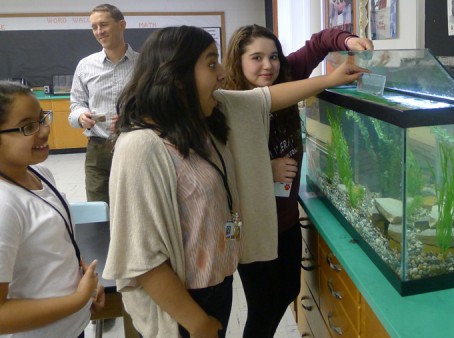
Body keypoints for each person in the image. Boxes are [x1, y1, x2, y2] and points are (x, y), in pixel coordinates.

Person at [102, 25, 366, 338]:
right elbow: (141, 258)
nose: (223, 74)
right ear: (176, 78)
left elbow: (266, 99)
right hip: (183, 302)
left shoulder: (207, 115)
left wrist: (332, 79)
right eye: (212, 64)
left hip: (217, 281)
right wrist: (196, 322)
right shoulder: (140, 147)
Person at [223, 24, 373, 337]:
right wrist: (268, 169)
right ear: (237, 62)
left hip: (287, 219)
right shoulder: (230, 103)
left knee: (289, 288)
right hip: (253, 226)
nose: (268, 65)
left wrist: (349, 41)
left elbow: (319, 42)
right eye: (257, 58)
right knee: (263, 307)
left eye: (273, 56)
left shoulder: (287, 75)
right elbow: (220, 172)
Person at [0, 81, 103, 337]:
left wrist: (82, 279)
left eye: (41, 119)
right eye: (28, 126)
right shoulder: (5, 205)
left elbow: (56, 242)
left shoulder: (39, 173)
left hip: (70, 327)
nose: (44, 131)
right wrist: (78, 299)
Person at [68, 3, 139, 203]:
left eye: (104, 25)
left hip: (136, 145)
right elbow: (76, 105)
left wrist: (135, 118)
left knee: (134, 204)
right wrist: (81, 116)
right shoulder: (85, 66)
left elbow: (159, 107)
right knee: (98, 209)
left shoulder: (145, 64)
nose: (99, 31)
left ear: (121, 25)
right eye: (94, 27)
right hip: (98, 150)